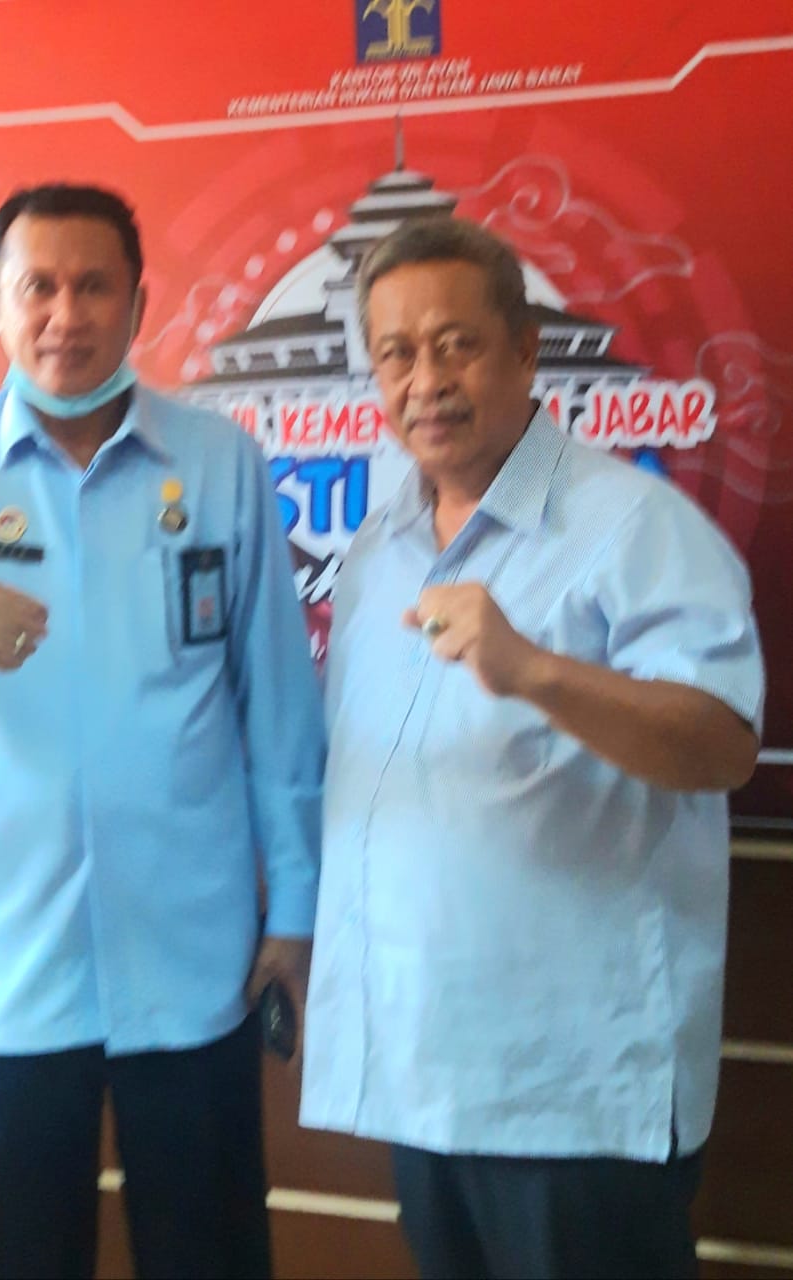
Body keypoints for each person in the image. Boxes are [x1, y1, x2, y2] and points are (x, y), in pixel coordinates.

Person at [0, 183, 325, 1280]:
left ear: (140, 304)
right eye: (37, 287)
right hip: (10, 968)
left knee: (214, 1257)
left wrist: (294, 910)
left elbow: (278, 706)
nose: (66, 315)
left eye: (94, 286)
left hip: (195, 967)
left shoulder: (218, 463)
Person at [299, 216, 765, 1279]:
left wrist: (535, 671)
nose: (425, 380)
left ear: (524, 349)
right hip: (425, 1072)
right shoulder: (378, 547)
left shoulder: (632, 525)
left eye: (455, 345)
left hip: (573, 1088)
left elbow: (722, 744)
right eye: (395, 353)